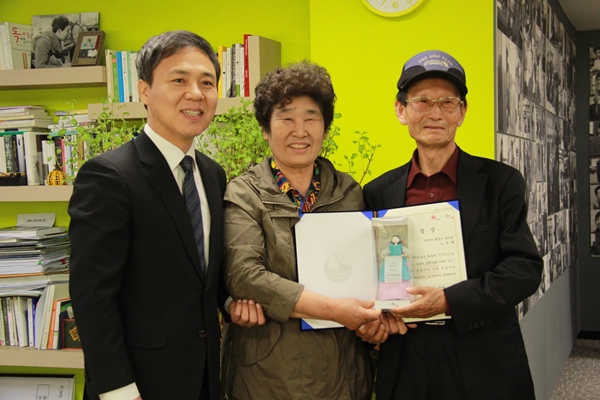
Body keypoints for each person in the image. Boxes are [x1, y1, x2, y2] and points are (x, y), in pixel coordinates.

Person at [68, 30, 263, 400]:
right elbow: (92, 296)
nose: (196, 93)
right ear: (144, 91)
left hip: (205, 378)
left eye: (207, 82)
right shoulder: (109, 176)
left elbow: (200, 272)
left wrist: (229, 301)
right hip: (139, 384)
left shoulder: (212, 174)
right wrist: (118, 390)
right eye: (179, 80)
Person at [360, 50, 543, 399]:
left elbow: (524, 270)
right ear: (401, 110)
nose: (435, 113)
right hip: (407, 359)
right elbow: (370, 276)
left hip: (485, 358)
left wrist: (448, 300)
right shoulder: (377, 192)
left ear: (462, 113)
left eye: (447, 102)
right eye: (422, 101)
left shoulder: (501, 182)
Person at [220, 61, 395, 400]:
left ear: (325, 129)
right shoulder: (244, 193)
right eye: (286, 118)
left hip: (344, 373)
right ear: (265, 129)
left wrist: (374, 321)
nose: (299, 131)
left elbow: (369, 274)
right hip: (268, 378)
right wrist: (336, 311)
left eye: (311, 118)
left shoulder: (349, 191)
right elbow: (245, 276)